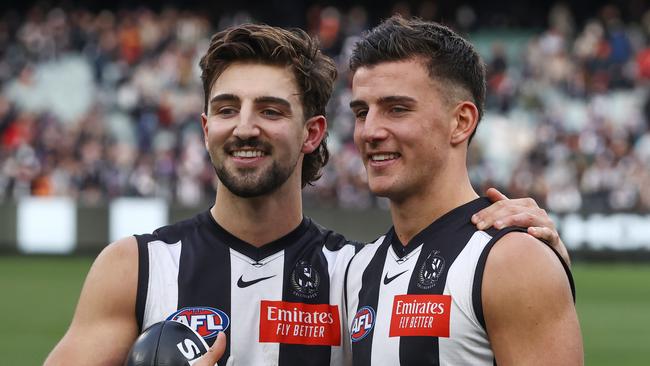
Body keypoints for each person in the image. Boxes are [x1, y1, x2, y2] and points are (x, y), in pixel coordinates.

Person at [45, 23, 572, 366]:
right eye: (227, 109)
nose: (245, 127)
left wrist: (533, 255)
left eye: (271, 111)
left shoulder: (353, 274)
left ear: (313, 133)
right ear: (205, 127)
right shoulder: (136, 267)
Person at [344, 16, 583, 365]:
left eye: (397, 109)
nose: (370, 131)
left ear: (461, 122)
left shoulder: (512, 260)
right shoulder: (358, 269)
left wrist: (538, 262)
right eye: (362, 112)